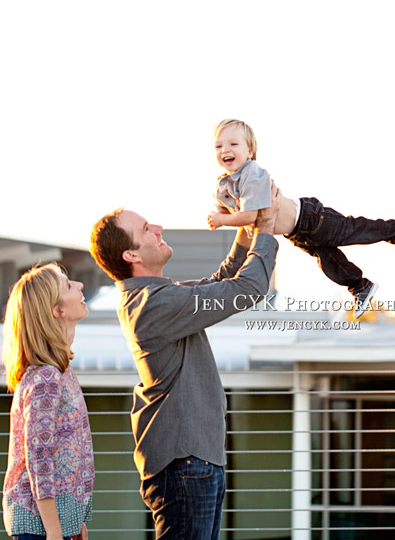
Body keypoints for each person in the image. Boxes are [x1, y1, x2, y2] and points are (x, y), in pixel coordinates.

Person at [89, 190, 280, 540]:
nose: (159, 228)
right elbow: (248, 289)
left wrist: (246, 229)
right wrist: (265, 229)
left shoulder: (158, 298)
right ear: (131, 254)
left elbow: (220, 283)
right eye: (147, 229)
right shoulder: (152, 305)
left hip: (193, 462)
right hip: (185, 465)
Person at [207, 118, 395, 318]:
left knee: (350, 231)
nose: (225, 150)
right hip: (296, 233)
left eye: (233, 144)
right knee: (328, 262)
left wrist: (221, 220)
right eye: (218, 146)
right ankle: (360, 286)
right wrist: (221, 217)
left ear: (250, 151)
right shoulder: (224, 185)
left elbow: (250, 215)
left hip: (310, 218)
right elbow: (233, 217)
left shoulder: (252, 174)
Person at [1, 263, 95, 540]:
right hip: (40, 528)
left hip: (56, 525)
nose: (79, 285)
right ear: (57, 311)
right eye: (68, 285)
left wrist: (74, 524)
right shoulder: (45, 378)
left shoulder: (61, 372)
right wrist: (55, 532)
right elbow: (38, 458)